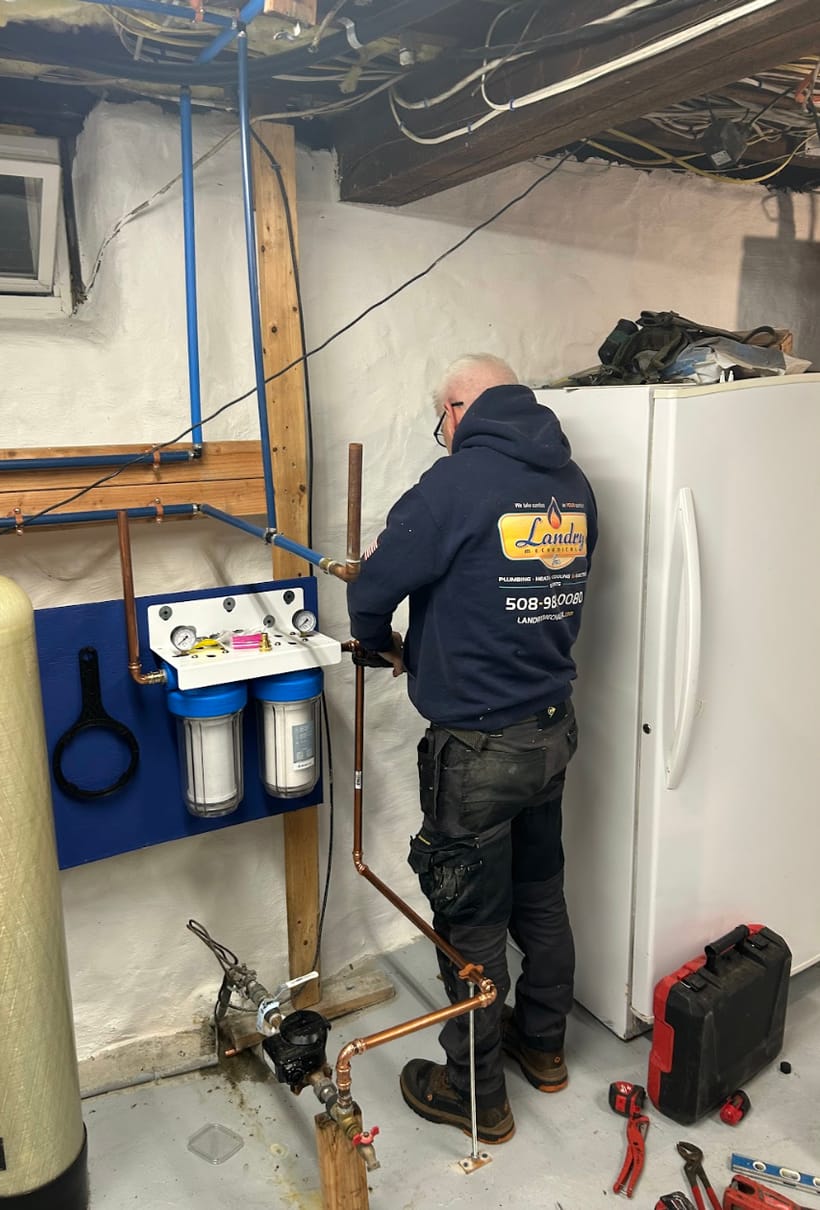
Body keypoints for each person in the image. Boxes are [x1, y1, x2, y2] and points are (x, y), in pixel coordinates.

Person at [346, 353, 597, 1145]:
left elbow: (371, 586)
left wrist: (372, 642)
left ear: (458, 408)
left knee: (471, 928)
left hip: (478, 756)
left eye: (439, 420)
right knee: (541, 897)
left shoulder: (455, 484)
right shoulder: (574, 486)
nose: (442, 434)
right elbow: (510, 593)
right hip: (551, 732)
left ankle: (476, 1095)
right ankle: (545, 1047)